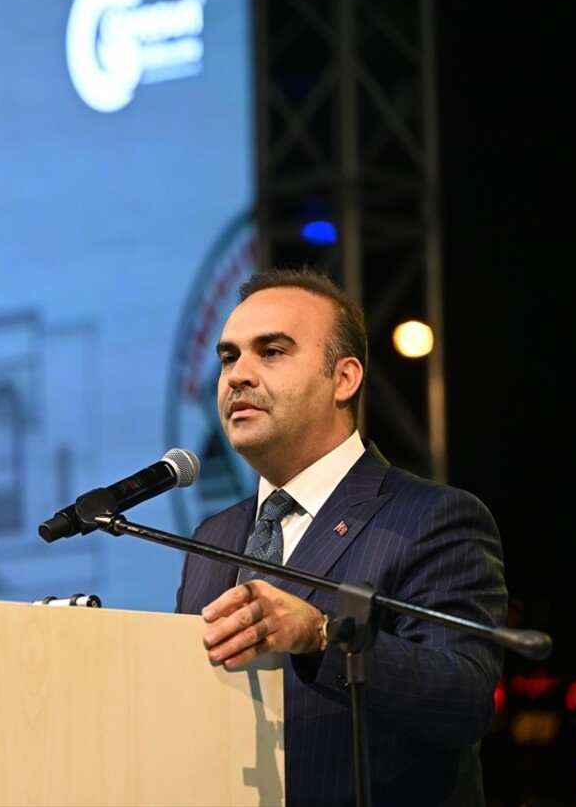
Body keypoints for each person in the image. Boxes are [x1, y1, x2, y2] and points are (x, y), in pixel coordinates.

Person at [175, 266, 506, 806]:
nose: (239, 374)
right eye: (229, 356)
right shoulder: (212, 537)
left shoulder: (433, 518)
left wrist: (322, 635)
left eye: (272, 351)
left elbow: (464, 698)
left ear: (344, 379)